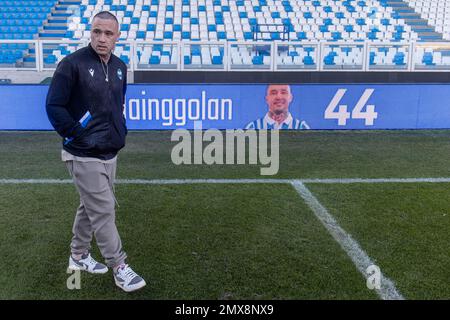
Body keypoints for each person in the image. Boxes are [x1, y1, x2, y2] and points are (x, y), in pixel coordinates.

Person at [45, 11, 146, 293]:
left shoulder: (119, 67)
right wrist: (76, 133)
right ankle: (119, 267)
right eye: (97, 32)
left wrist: (120, 130)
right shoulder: (71, 64)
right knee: (103, 209)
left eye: (108, 34)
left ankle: (78, 256)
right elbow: (54, 106)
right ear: (91, 32)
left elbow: (118, 105)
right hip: (81, 153)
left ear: (117, 37)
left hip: (109, 150)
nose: (101, 39)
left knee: (89, 207)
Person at [245, 84, 310, 130]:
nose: (278, 97)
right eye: (273, 93)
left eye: (283, 92)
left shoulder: (302, 127)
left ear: (290, 98)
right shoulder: (252, 128)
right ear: (267, 99)